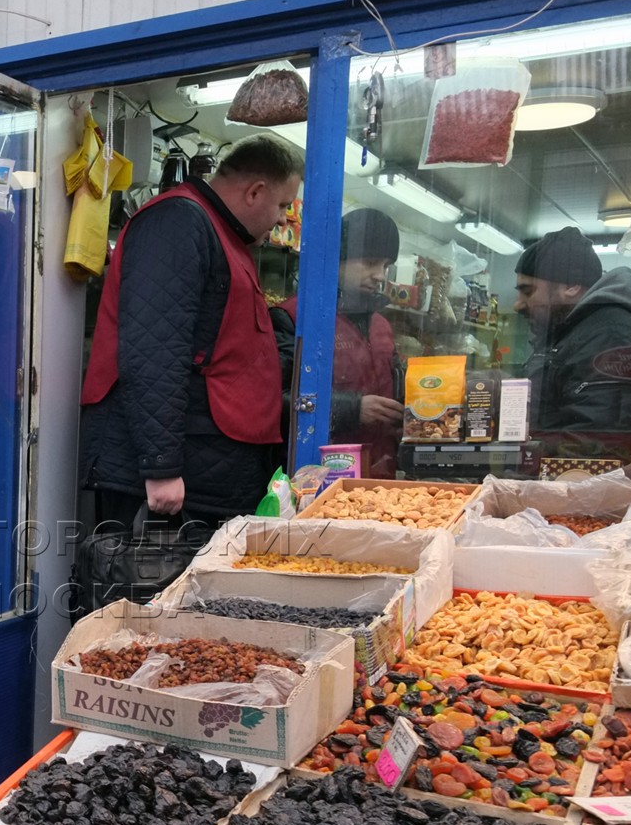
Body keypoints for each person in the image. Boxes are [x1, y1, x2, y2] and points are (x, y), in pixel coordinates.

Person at [80, 134, 305, 533]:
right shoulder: (179, 222)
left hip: (209, 471)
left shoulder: (222, 234)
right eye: (284, 204)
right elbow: (153, 348)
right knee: (148, 589)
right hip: (175, 483)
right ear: (255, 191)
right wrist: (160, 467)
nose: (285, 219)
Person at [272, 208, 404, 477]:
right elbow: (271, 399)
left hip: (381, 474)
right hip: (321, 474)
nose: (380, 275)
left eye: (386, 266)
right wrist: (352, 408)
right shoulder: (295, 317)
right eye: (369, 262)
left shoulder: (381, 325)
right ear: (338, 259)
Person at [512, 227, 631, 433]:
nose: (518, 305)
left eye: (528, 291)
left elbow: (596, 443)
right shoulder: (570, 335)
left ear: (571, 286)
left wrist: (528, 457)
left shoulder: (612, 337)